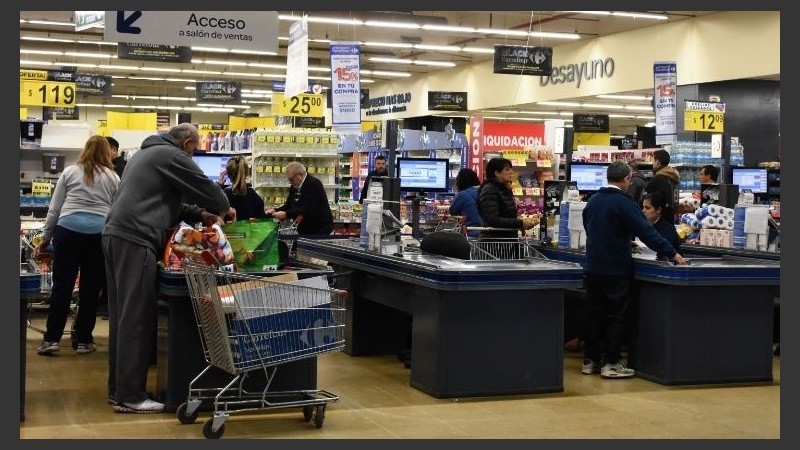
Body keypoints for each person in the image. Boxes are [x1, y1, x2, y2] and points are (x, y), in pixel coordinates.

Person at [102, 123, 235, 414]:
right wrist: (221, 209)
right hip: (137, 238)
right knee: (137, 317)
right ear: (187, 144)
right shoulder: (172, 156)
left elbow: (167, 203)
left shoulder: (145, 154)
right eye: (195, 150)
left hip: (116, 236)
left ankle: (120, 390)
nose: (193, 155)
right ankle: (130, 396)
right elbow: (216, 197)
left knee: (123, 317)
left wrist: (200, 214)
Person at [582, 161, 687, 379]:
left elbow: (589, 228)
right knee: (616, 316)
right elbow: (647, 232)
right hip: (615, 268)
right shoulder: (625, 203)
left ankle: (590, 361)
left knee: (594, 314)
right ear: (625, 179)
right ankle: (611, 363)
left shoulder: (592, 201)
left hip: (592, 267)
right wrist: (673, 253)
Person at [35, 135, 121, 356]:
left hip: (67, 231)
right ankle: (83, 340)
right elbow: (116, 212)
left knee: (62, 286)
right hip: (98, 234)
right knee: (90, 289)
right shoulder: (113, 177)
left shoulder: (70, 172)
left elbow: (55, 209)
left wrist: (45, 238)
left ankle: (51, 340)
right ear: (107, 152)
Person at [266, 161, 334, 236]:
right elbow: (289, 205)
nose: (290, 182)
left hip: (320, 230)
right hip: (305, 230)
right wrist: (275, 210)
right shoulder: (295, 186)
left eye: (291, 179)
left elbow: (307, 209)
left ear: (300, 174)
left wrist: (286, 214)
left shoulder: (314, 184)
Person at [477, 157, 538, 239]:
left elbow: (506, 215)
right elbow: (492, 219)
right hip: (494, 241)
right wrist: (520, 223)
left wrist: (521, 223)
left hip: (506, 239)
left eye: (510, 169)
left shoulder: (503, 188)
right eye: (507, 169)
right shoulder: (489, 190)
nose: (511, 172)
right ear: (497, 173)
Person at [217, 156, 266, 220]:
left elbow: (212, 215)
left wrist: (218, 185)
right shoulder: (255, 197)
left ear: (228, 174)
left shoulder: (223, 197)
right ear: (247, 173)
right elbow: (261, 218)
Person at [643, 149, 680, 223]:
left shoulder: (658, 179)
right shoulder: (673, 177)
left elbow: (647, 200)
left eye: (653, 160)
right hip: (672, 217)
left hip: (659, 219)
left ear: (658, 162)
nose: (652, 163)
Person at [642, 192, 681, 259]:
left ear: (658, 210)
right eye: (643, 207)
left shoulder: (667, 230)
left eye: (647, 208)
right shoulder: (647, 225)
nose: (643, 211)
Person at [449, 168, 482, 237]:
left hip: (469, 233)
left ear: (460, 182)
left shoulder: (462, 195)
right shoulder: (483, 191)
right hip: (486, 232)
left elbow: (452, 211)